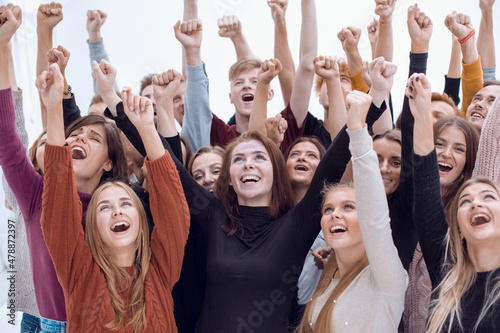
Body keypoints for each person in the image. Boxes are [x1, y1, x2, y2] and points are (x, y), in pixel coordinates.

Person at [38, 56, 190, 330]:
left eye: (125, 204)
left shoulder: (161, 268)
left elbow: (173, 208)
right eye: (104, 207)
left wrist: (146, 128)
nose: (117, 210)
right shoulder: (78, 270)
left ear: (142, 220)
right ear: (91, 225)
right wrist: (53, 109)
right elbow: (59, 207)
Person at [296, 90, 407, 332]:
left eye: (348, 207)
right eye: (328, 210)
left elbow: (376, 219)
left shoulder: (385, 277)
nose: (335, 214)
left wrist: (358, 130)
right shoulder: (325, 278)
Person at [409, 72, 500, 332]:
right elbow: (426, 194)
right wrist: (423, 113)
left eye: (489, 197)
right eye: (465, 201)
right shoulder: (446, 271)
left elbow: (493, 140)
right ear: (457, 225)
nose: (475, 204)